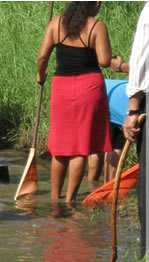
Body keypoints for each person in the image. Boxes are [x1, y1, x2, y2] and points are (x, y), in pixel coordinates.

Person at [36, 1, 113, 202]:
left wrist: (40, 75)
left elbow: (42, 56)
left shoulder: (56, 23)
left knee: (60, 146)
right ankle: (70, 201)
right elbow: (104, 61)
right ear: (95, 3)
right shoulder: (97, 26)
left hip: (61, 87)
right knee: (80, 147)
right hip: (89, 88)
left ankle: (55, 201)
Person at [86, 79, 130, 186]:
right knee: (100, 149)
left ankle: (99, 187)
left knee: (112, 146)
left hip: (104, 92)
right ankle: (96, 187)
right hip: (102, 96)